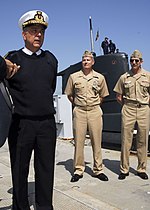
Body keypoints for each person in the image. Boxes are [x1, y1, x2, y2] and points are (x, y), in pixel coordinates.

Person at [0, 10, 58, 210]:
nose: (38, 35)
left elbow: (50, 88)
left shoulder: (51, 59)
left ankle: (44, 206)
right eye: (33, 31)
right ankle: (20, 206)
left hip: (46, 124)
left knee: (45, 169)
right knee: (19, 169)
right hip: (21, 123)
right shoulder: (12, 59)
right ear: (24, 35)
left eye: (41, 31)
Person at [65, 50, 109, 182]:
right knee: (78, 142)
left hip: (95, 111)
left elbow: (102, 95)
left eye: (88, 59)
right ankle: (78, 170)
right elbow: (69, 95)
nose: (85, 62)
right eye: (84, 59)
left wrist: (93, 105)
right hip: (79, 112)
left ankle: (98, 169)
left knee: (97, 141)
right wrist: (79, 105)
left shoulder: (100, 78)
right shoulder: (74, 77)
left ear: (93, 62)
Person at [114, 50, 150, 180]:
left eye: (136, 60)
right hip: (128, 108)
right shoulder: (124, 77)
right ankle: (124, 169)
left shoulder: (148, 76)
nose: (134, 63)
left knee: (143, 139)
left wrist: (145, 103)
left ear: (141, 61)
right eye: (132, 60)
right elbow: (118, 95)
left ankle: (141, 169)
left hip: (143, 109)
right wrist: (126, 105)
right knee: (126, 140)